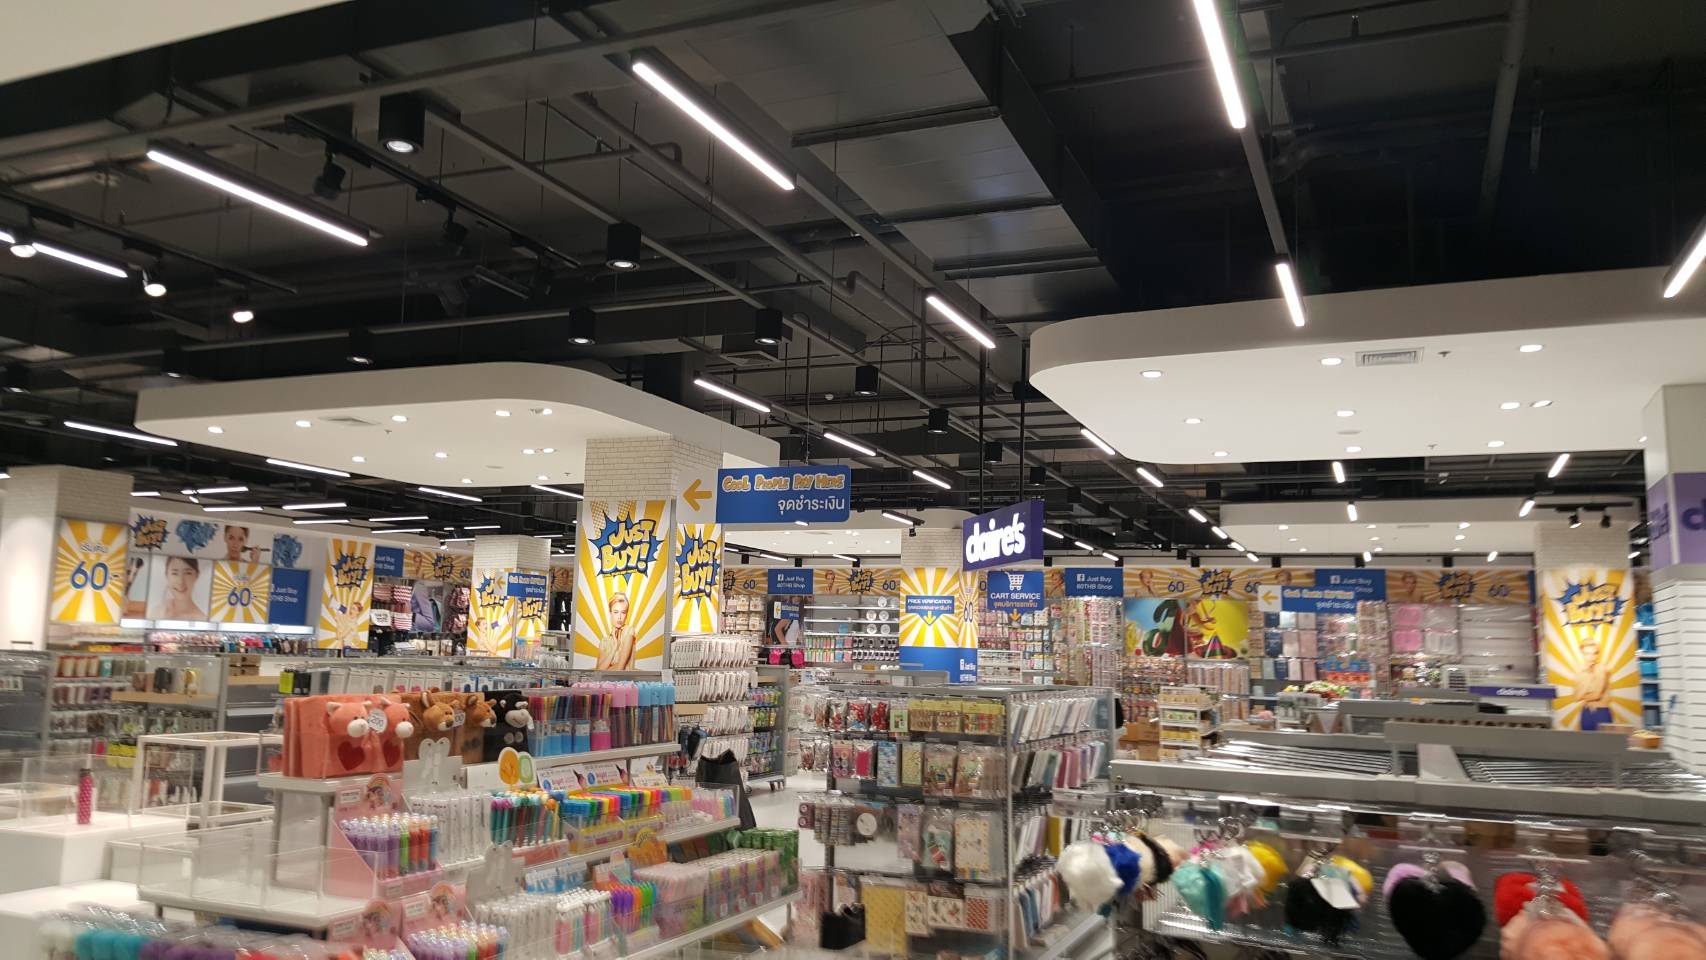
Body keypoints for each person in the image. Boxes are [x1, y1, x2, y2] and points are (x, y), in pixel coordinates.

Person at [1575, 637, 1614, 731]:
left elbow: (1596, 695)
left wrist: (1583, 695)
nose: (1590, 657)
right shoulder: (1581, 671)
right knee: (1586, 739)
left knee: (1604, 739)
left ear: (1598, 654)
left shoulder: (1602, 669)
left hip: (1601, 712)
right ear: (1582, 654)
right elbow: (1576, 697)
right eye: (1587, 653)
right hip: (1586, 712)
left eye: (1594, 653)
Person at [595, 590, 637, 669]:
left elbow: (620, 668)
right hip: (606, 678)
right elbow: (598, 672)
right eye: (616, 612)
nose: (619, 617)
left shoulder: (629, 631)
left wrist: (606, 669)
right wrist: (615, 647)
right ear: (610, 613)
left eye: (623, 612)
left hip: (624, 678)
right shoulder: (604, 641)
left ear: (626, 615)